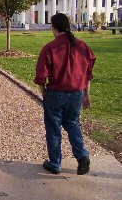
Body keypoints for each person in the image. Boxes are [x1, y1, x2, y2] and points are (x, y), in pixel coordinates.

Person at [34, 13, 96, 175]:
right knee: (73, 123)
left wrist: (44, 94)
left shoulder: (50, 48)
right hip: (76, 93)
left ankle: (55, 163)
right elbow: (88, 74)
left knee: (54, 128)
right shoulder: (82, 47)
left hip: (56, 93)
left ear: (54, 28)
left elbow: (41, 78)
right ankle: (82, 156)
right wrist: (86, 96)